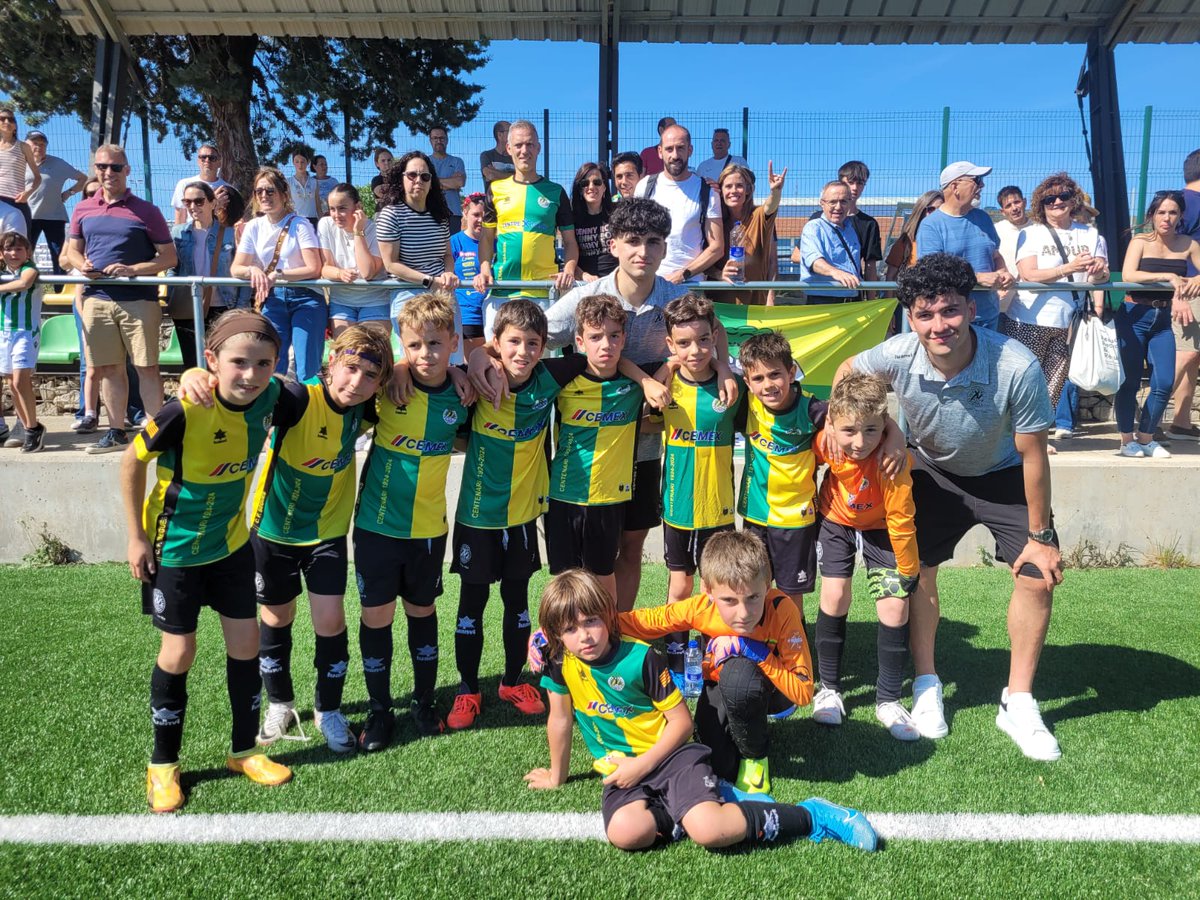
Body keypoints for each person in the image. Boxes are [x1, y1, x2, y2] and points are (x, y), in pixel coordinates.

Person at [838, 252, 1064, 762]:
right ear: (910, 318)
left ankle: (1019, 700)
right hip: (932, 473)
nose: (939, 325)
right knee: (917, 573)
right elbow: (847, 373)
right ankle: (926, 681)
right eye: (925, 314)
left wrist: (1042, 536)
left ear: (972, 308)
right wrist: (892, 431)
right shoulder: (897, 354)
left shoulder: (1016, 364)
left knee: (1035, 573)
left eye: (950, 311)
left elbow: (1033, 455)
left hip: (1003, 472)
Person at [526, 568, 877, 853]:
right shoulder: (560, 660)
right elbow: (559, 718)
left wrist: (642, 766)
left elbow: (681, 725)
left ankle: (811, 816)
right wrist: (557, 776)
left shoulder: (641, 658)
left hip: (672, 756)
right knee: (626, 833)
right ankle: (684, 811)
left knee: (710, 832)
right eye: (570, 629)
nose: (584, 636)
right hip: (622, 767)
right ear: (556, 635)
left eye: (591, 622)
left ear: (606, 615)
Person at [175, 324, 390, 753]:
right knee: (276, 618)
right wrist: (194, 375)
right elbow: (242, 382)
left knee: (330, 621)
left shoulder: (366, 406)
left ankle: (328, 709)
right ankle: (280, 703)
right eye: (349, 369)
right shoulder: (293, 398)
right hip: (272, 531)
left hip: (327, 533)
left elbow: (408, 375)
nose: (357, 383)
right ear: (331, 361)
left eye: (370, 376)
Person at [121, 310, 293, 815]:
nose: (251, 374)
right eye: (238, 362)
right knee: (180, 652)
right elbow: (131, 462)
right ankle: (163, 765)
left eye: (263, 363)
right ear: (213, 360)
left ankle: (243, 752)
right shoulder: (184, 408)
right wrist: (135, 538)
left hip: (231, 547)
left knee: (246, 645)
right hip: (175, 551)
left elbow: (316, 383)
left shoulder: (272, 397)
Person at [452, 299, 651, 730]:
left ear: (544, 349)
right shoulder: (479, 383)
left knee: (520, 603)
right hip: (476, 515)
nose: (522, 352)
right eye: (513, 344)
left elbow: (606, 359)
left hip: (526, 513)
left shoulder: (552, 377)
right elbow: (462, 360)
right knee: (472, 602)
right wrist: (470, 360)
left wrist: (647, 379)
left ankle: (514, 681)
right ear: (498, 345)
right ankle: (467, 690)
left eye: (532, 344)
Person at [540, 198, 738, 612]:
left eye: (653, 242)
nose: (642, 252)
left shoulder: (674, 298)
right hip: (591, 455)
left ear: (665, 249)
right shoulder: (587, 299)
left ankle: (622, 629)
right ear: (613, 245)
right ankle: (576, 631)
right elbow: (533, 334)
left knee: (629, 549)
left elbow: (713, 328)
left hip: (645, 451)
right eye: (632, 241)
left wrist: (722, 367)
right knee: (578, 562)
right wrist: (486, 354)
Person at [353, 295, 472, 747]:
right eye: (416, 346)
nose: (426, 355)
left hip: (427, 531)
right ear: (403, 346)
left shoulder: (465, 395)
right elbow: (333, 385)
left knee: (422, 612)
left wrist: (467, 368)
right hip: (377, 528)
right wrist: (394, 370)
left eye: (437, 345)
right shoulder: (385, 388)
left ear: (455, 343)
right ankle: (379, 710)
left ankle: (424, 702)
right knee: (376, 616)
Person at [615, 530, 812, 795]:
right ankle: (740, 725)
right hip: (721, 683)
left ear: (767, 584)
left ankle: (756, 757)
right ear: (707, 590)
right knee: (719, 767)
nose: (743, 613)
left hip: (775, 692)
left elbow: (802, 693)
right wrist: (563, 627)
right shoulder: (699, 607)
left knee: (740, 676)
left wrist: (752, 650)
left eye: (753, 598)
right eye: (729, 601)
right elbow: (644, 622)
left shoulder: (782, 608)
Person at [811, 372, 921, 741]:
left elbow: (902, 519)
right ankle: (828, 689)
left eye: (872, 431)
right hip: (836, 519)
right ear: (832, 424)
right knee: (835, 595)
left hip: (881, 527)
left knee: (895, 606)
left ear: (885, 426)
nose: (860, 443)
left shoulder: (892, 460)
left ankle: (888, 699)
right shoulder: (826, 441)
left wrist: (908, 570)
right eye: (850, 432)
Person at [65, 143, 175, 454]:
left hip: (139, 300)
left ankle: (155, 432)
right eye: (102, 167)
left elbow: (168, 258)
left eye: (115, 167)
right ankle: (116, 431)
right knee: (109, 368)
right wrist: (80, 264)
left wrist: (133, 269)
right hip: (96, 299)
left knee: (146, 367)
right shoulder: (83, 208)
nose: (108, 173)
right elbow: (73, 250)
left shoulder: (147, 211)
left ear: (127, 170)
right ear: (95, 170)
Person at [545, 294, 651, 602]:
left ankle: (610, 640)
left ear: (624, 338)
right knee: (564, 579)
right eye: (595, 337)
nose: (606, 345)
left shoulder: (634, 386)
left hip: (610, 498)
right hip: (564, 495)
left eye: (614, 336)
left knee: (603, 574)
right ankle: (560, 641)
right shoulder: (561, 379)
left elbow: (674, 366)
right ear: (579, 341)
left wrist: (648, 380)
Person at [658, 295, 742, 671]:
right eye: (685, 343)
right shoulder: (664, 382)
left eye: (704, 340)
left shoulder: (732, 388)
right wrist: (662, 370)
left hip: (719, 508)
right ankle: (674, 654)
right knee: (680, 586)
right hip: (677, 507)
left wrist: (724, 366)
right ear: (670, 345)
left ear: (714, 337)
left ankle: (714, 650)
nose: (696, 350)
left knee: (718, 587)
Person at [1005, 174, 1108, 449]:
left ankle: (1037, 437)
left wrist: (1099, 271)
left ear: (1074, 199)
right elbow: (1028, 274)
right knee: (1024, 380)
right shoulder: (1032, 233)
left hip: (1070, 322)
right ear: (1041, 204)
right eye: (1050, 199)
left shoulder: (1091, 234)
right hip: (1029, 319)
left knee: (1053, 383)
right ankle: (1012, 437)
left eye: (1063, 196)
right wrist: (1068, 268)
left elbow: (1101, 277)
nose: (1057, 202)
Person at [734, 331, 823, 618]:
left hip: (795, 519)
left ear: (792, 372)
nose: (768, 385)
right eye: (758, 379)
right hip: (755, 514)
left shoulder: (813, 409)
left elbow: (853, 421)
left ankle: (795, 652)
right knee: (752, 587)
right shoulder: (747, 403)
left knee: (788, 594)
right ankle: (759, 646)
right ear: (747, 382)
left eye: (775, 375)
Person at [1116, 191, 1200, 459]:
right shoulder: (1140, 241)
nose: (1167, 218)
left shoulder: (1188, 244)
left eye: (1173, 212)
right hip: (1133, 315)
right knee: (1129, 382)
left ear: (1181, 216)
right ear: (1152, 215)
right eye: (1161, 212)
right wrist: (1169, 276)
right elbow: (1129, 274)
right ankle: (1126, 440)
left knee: (1163, 381)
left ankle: (1147, 437)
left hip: (1163, 320)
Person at [473, 120, 577, 326]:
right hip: (502, 290)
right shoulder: (495, 189)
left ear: (538, 148)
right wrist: (484, 269)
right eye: (519, 145)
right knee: (497, 357)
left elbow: (570, 242)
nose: (524, 151)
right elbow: (486, 239)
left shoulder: (555, 191)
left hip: (544, 292)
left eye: (530, 144)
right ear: (508, 148)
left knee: (539, 357)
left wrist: (569, 270)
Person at [231, 166, 325, 381]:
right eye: (259, 191)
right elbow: (237, 268)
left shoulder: (301, 224)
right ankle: (275, 412)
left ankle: (309, 411)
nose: (264, 196)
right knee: (272, 363)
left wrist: (279, 275)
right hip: (272, 299)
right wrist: (253, 269)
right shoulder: (253, 227)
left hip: (306, 297)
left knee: (307, 368)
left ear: (284, 194)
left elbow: (314, 268)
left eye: (270, 191)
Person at [918, 161, 1014, 330]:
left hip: (989, 316)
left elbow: (995, 255)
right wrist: (977, 278)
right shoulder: (931, 226)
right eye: (976, 180)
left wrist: (1002, 272)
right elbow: (931, 273)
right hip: (952, 322)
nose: (982, 185)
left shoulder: (983, 218)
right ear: (955, 186)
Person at [632, 124, 724, 285]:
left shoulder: (707, 191)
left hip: (690, 288)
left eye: (680, 148)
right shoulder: (645, 186)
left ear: (690, 150)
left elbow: (717, 247)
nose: (675, 155)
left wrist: (682, 275)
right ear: (660, 152)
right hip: (649, 285)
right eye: (669, 149)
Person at [376, 150, 458, 328]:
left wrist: (448, 273)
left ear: (431, 182)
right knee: (415, 355)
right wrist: (429, 281)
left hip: (442, 294)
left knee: (452, 353)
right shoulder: (391, 215)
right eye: (412, 175)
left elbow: (447, 255)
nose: (418, 180)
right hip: (407, 295)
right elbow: (391, 264)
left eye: (425, 176)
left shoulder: (439, 215)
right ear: (402, 178)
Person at [170, 182, 246, 370]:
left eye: (199, 201)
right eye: (187, 202)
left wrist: (241, 306)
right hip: (187, 307)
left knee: (223, 364)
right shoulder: (178, 233)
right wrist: (172, 293)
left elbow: (244, 269)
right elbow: (173, 267)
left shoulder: (230, 233)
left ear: (213, 203)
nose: (193, 207)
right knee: (193, 365)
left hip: (224, 307)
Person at [797, 162, 883, 293]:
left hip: (852, 295)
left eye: (860, 183)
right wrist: (833, 270)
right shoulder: (815, 224)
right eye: (850, 182)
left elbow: (870, 267)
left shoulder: (858, 227)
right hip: (823, 295)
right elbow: (805, 257)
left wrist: (872, 303)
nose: (855, 188)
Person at [319, 183, 392, 336]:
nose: (336, 215)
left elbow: (367, 273)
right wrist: (340, 273)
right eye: (332, 209)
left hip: (375, 300)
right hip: (341, 301)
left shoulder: (374, 229)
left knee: (371, 353)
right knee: (347, 353)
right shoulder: (325, 225)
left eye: (342, 208)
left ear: (358, 207)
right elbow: (325, 268)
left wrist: (358, 231)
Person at [0, 233, 46, 452]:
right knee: (11, 383)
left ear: (27, 252)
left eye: (19, 249)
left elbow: (24, 282)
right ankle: (30, 428)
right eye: (9, 249)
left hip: (26, 332)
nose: (13, 253)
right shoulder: (3, 272)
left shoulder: (30, 269)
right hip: (4, 333)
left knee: (20, 381)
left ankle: (33, 427)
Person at [716, 162, 786, 305]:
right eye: (728, 186)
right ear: (721, 191)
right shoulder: (715, 223)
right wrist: (719, 275)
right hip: (721, 305)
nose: (734, 190)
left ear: (748, 190)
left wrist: (776, 191)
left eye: (739, 186)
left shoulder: (759, 216)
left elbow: (770, 206)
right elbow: (707, 264)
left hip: (755, 303)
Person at [1166, 148, 1200, 441]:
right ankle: (1146, 414)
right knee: (1187, 352)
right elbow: (1170, 247)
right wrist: (1178, 294)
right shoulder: (1186, 203)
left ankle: (1182, 423)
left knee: (1192, 356)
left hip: (1189, 287)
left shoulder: (1182, 201)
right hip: (1189, 291)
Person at [24, 130, 87, 275]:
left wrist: (69, 193)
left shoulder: (58, 163)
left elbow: (83, 179)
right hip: (28, 217)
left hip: (55, 217)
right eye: (35, 143)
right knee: (25, 254)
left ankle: (60, 290)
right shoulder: (19, 163)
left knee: (59, 256)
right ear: (26, 144)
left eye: (42, 144)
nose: (39, 147)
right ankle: (27, 288)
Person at [798, 181, 863, 303]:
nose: (838, 207)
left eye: (843, 201)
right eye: (832, 202)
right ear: (822, 203)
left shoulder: (851, 231)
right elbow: (814, 261)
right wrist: (836, 273)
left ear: (850, 203)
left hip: (853, 300)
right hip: (822, 301)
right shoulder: (813, 228)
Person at [452, 192, 487, 356]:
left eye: (485, 215)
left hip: (493, 311)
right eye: (476, 214)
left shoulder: (497, 242)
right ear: (465, 213)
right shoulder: (455, 242)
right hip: (468, 315)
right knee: (471, 369)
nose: (481, 219)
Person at [570, 162, 617, 280]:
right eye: (585, 183)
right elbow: (569, 256)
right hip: (585, 284)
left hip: (616, 282)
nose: (591, 187)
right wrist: (583, 275)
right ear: (580, 189)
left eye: (597, 182)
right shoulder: (572, 218)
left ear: (604, 187)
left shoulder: (618, 213)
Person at [884, 190, 943, 281]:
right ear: (921, 211)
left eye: (940, 209)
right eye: (931, 209)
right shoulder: (905, 242)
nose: (935, 214)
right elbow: (890, 277)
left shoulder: (951, 240)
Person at [0, 107, 40, 233]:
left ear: (15, 126)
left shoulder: (24, 147)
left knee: (20, 243)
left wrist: (27, 193)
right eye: (2, 118)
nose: (6, 121)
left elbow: (37, 177)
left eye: (11, 119)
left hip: (17, 200)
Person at [170, 144, 229, 225]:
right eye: (203, 157)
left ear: (219, 163)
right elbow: (180, 219)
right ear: (198, 161)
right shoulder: (184, 185)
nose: (207, 160)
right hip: (190, 235)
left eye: (212, 158)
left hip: (218, 235)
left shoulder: (227, 189)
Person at [994, 185, 1030, 310]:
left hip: (1030, 299)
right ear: (1002, 212)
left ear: (1024, 202)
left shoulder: (1039, 228)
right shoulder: (996, 230)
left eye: (1017, 202)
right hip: (1003, 299)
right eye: (1008, 206)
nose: (1014, 208)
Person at [429, 125, 467, 234]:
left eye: (441, 138)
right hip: (431, 212)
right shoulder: (425, 162)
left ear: (447, 140)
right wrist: (450, 181)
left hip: (453, 213)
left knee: (452, 248)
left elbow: (459, 182)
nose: (438, 141)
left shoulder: (457, 161)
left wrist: (434, 182)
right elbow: (425, 184)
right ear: (430, 140)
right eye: (435, 138)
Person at [288, 149, 320, 227]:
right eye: (297, 161)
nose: (300, 165)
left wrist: (322, 222)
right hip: (295, 220)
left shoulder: (314, 182)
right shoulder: (288, 182)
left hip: (312, 221)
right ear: (293, 163)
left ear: (308, 162)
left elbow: (318, 206)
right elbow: (286, 205)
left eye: (302, 161)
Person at [479, 120, 514, 185]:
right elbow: (490, 175)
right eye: (510, 131)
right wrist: (514, 177)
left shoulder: (517, 157)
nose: (514, 134)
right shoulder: (487, 155)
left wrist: (496, 173)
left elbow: (524, 178)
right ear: (500, 135)